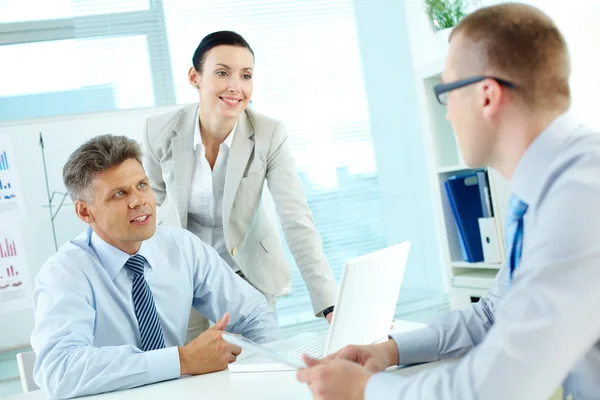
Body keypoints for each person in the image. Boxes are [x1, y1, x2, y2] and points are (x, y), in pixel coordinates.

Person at [297, 3, 600, 399]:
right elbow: (496, 313)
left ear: (486, 96)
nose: (448, 115)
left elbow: (497, 387)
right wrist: (387, 351)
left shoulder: (581, 197)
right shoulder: (543, 189)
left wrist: (366, 391)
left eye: (446, 91)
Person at [31, 135, 281, 399]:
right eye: (119, 193)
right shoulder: (64, 273)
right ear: (85, 212)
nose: (139, 201)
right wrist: (181, 360)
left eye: (141, 185)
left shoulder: (182, 247)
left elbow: (254, 315)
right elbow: (59, 370)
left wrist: (272, 377)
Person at [142, 30, 337, 342]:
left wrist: (329, 302)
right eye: (222, 73)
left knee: (261, 367)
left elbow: (296, 218)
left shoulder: (269, 134)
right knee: (190, 373)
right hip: (185, 273)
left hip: (249, 270)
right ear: (195, 77)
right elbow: (148, 208)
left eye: (246, 75)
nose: (236, 86)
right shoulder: (160, 131)